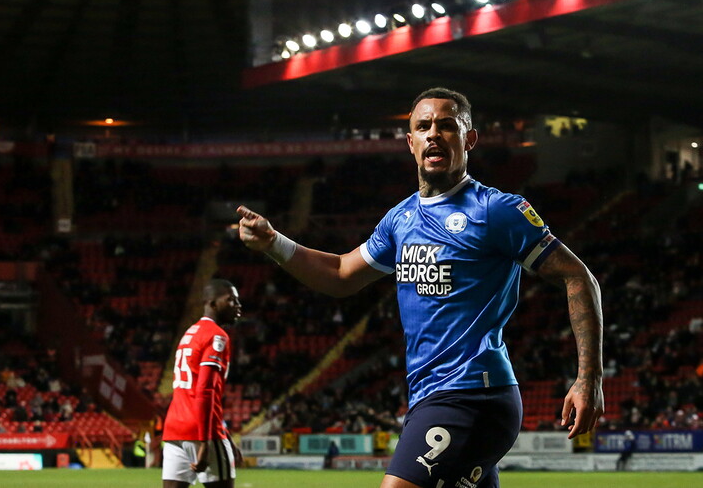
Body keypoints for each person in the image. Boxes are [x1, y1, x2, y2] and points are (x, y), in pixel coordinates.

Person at [238, 87, 603, 488]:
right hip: (429, 396)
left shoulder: (495, 210)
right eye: (423, 126)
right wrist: (274, 243)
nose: (434, 134)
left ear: (469, 138)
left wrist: (589, 379)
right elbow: (341, 274)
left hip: (472, 395)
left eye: (447, 126)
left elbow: (578, 276)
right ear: (410, 142)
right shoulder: (400, 219)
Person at [161, 279, 243, 488]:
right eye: (231, 300)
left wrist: (226, 436)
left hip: (175, 428)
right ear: (213, 304)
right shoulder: (216, 336)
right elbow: (205, 390)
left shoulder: (190, 334)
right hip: (202, 431)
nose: (238, 305)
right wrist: (205, 441)